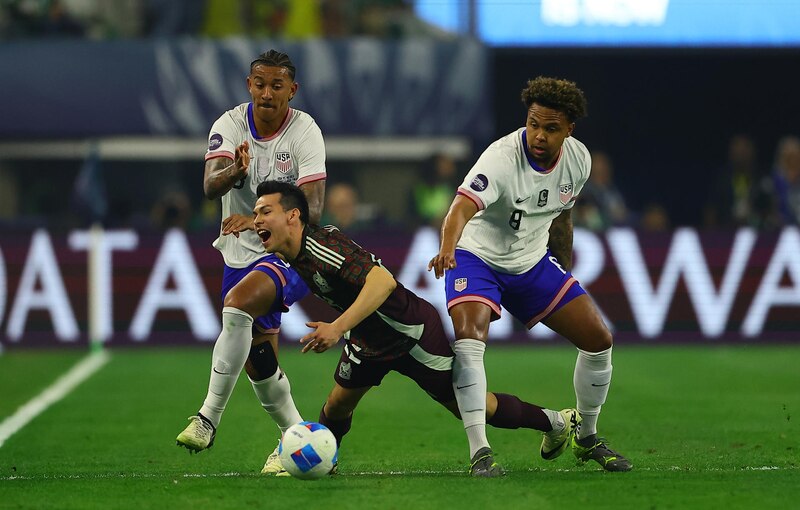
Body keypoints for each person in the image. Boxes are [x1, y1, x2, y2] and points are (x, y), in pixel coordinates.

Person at [252, 180, 580, 477]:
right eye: (255, 214)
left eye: (266, 212)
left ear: (293, 216)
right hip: (368, 338)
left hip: (410, 333)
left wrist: (337, 328)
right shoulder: (295, 254)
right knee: (337, 404)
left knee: (476, 405)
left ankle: (555, 422)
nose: (258, 221)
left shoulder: (322, 248)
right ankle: (326, 460)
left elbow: (383, 282)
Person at [428, 76, 632, 475]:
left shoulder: (579, 160)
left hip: (531, 262)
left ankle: (586, 436)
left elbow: (563, 214)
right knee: (470, 341)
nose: (538, 135)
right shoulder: (501, 158)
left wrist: (563, 268)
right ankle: (480, 453)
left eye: (551, 128)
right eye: (533, 123)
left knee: (599, 339)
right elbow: (459, 209)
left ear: (569, 130)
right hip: (475, 256)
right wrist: (448, 247)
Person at [175, 50, 327, 477]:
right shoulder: (229, 124)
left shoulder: (305, 132)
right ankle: (297, 440)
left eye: (276, 86)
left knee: (237, 305)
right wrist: (235, 174)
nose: (266, 93)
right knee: (260, 362)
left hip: (291, 253)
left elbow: (312, 210)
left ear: (291, 91)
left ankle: (207, 418)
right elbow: (209, 186)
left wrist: (263, 218)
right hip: (239, 253)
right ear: (249, 85)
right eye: (259, 84)